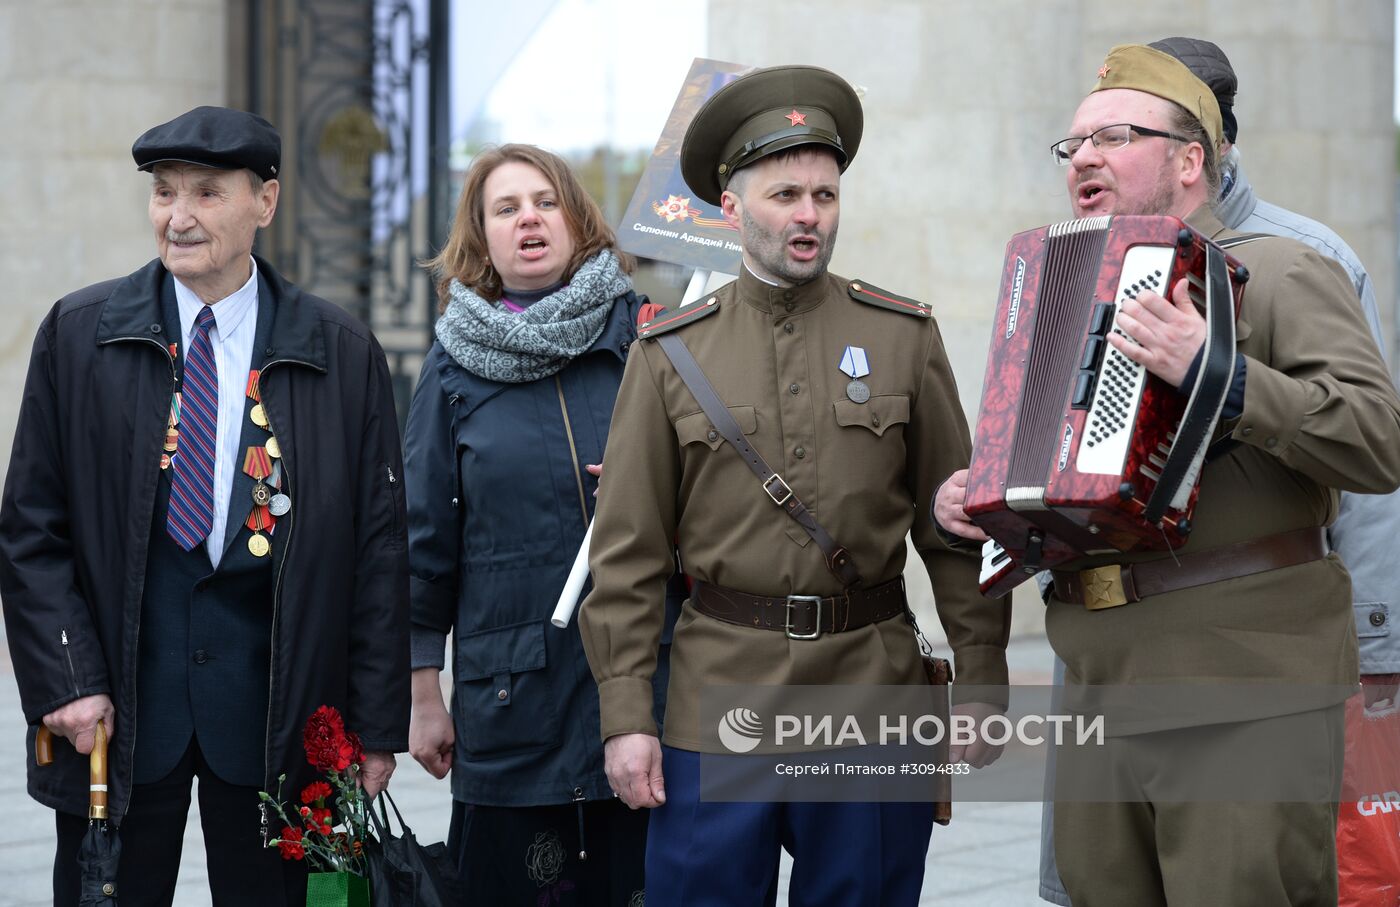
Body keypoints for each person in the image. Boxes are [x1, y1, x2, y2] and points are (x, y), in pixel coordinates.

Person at [937, 45, 1400, 905]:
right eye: (1072, 144)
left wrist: (1218, 371)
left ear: (1193, 161)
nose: (1084, 157)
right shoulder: (1056, 288)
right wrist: (980, 501)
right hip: (1097, 679)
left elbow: (1379, 441)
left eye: (1114, 136)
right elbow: (1049, 476)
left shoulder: (1284, 269)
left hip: (1243, 680)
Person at [577, 65, 1012, 906]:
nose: (809, 215)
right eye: (785, 194)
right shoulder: (669, 354)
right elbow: (626, 555)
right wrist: (628, 715)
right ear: (733, 209)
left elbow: (955, 525)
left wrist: (982, 672)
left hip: (871, 692)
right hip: (719, 697)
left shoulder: (903, 336)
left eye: (825, 194)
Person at [0, 106, 409, 906]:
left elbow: (379, 551)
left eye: (206, 193)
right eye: (163, 193)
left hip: (283, 719)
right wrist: (68, 677)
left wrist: (375, 721)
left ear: (267, 201)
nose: (178, 217)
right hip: (117, 713)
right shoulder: (81, 335)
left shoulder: (342, 351)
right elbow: (30, 528)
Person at [405, 143, 681, 905]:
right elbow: (425, 538)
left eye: (545, 200)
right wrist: (424, 689)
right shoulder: (452, 368)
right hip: (512, 700)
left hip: (650, 685)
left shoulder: (649, 339)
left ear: (577, 218)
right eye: (506, 208)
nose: (529, 217)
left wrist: (657, 487)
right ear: (483, 238)